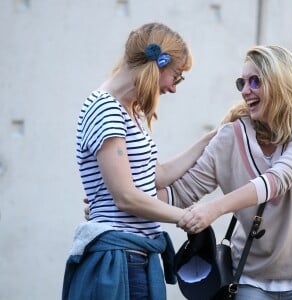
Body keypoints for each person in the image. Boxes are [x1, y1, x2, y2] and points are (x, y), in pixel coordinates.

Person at [62, 22, 214, 300]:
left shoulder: (128, 110)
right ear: (158, 64)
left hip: (135, 257)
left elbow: (154, 176)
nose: (173, 88)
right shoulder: (105, 108)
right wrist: (188, 218)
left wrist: (210, 139)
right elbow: (126, 198)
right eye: (176, 77)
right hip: (119, 261)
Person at [166, 45, 292, 299]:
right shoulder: (230, 136)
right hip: (247, 280)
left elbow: (278, 179)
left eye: (255, 82)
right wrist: (115, 199)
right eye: (242, 83)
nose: (245, 91)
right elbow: (179, 193)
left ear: (280, 83)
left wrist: (214, 209)